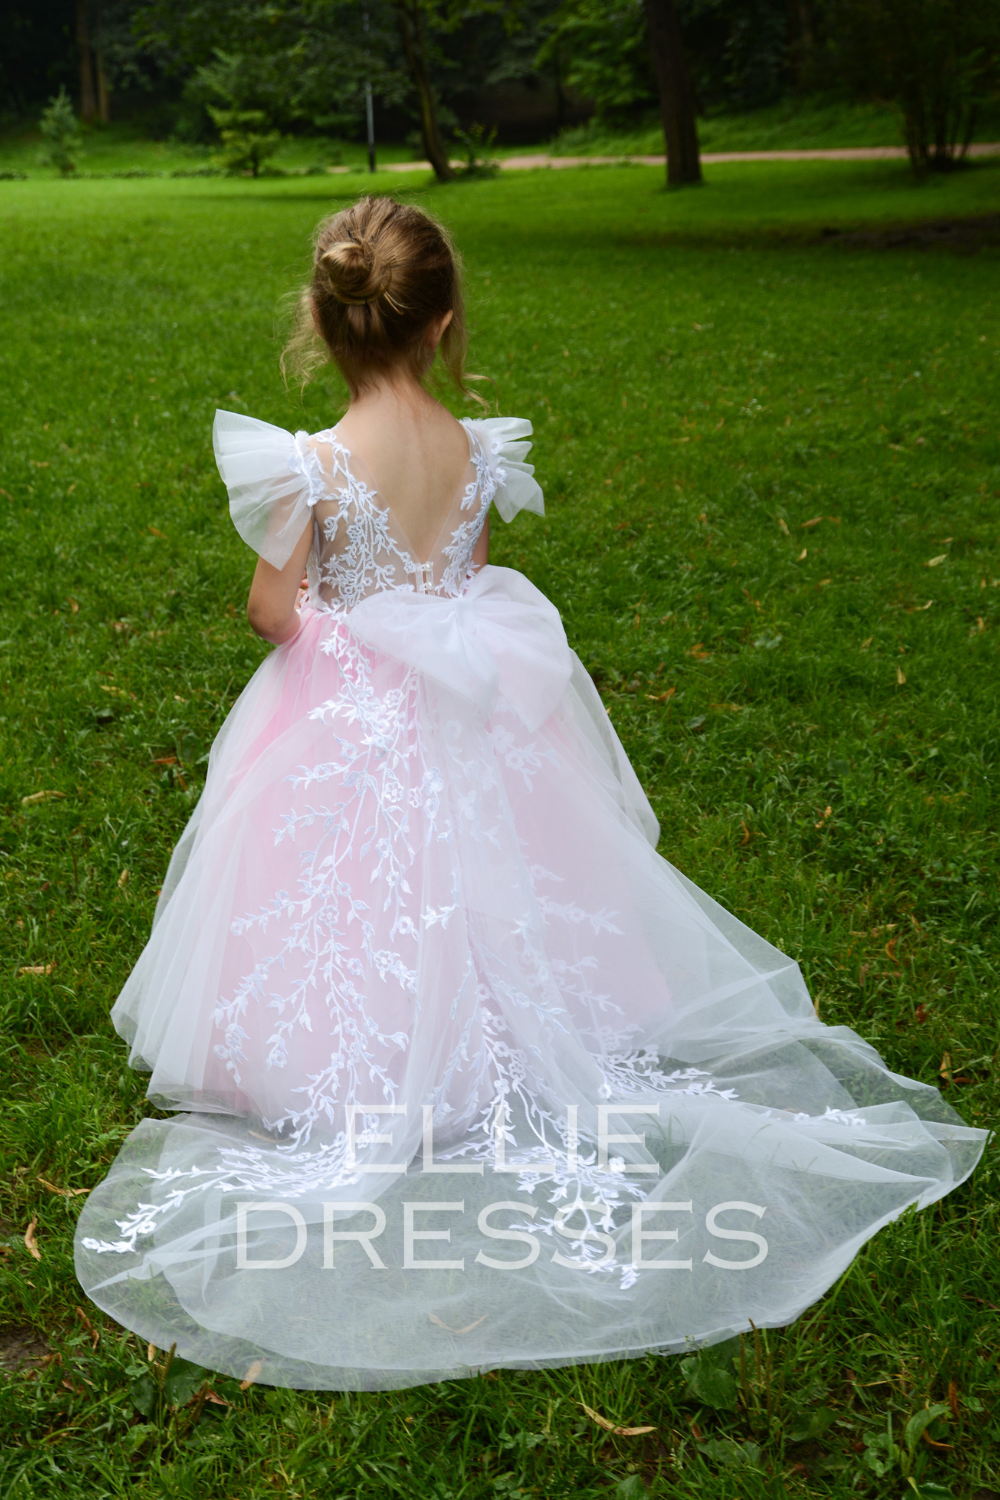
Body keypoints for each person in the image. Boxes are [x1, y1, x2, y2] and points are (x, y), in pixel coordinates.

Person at [76, 196, 985, 1392]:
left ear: (322, 320)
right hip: (471, 703)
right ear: (443, 324)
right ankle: (517, 1026)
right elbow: (467, 573)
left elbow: (270, 609)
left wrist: (348, 637)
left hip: (348, 712)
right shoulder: (473, 449)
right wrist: (424, 629)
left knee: (348, 882)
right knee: (499, 859)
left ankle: (355, 1062)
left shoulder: (311, 463)